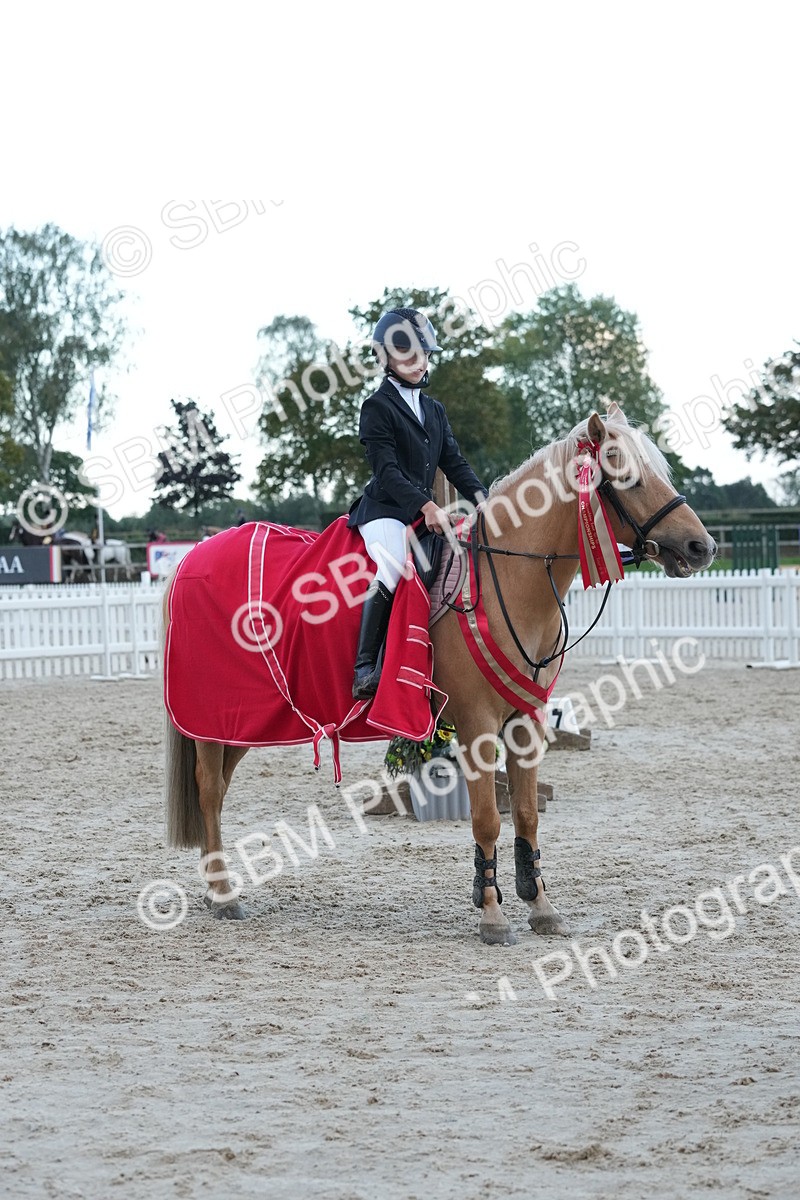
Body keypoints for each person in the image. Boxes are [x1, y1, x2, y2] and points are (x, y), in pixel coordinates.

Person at [347, 307, 488, 699]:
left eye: (422, 354)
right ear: (386, 359)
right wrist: (425, 506)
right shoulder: (377, 407)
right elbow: (388, 471)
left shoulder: (434, 410)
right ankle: (364, 667)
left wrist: (484, 501)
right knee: (393, 566)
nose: (416, 362)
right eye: (406, 355)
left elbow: (454, 463)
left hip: (425, 514)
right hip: (385, 511)